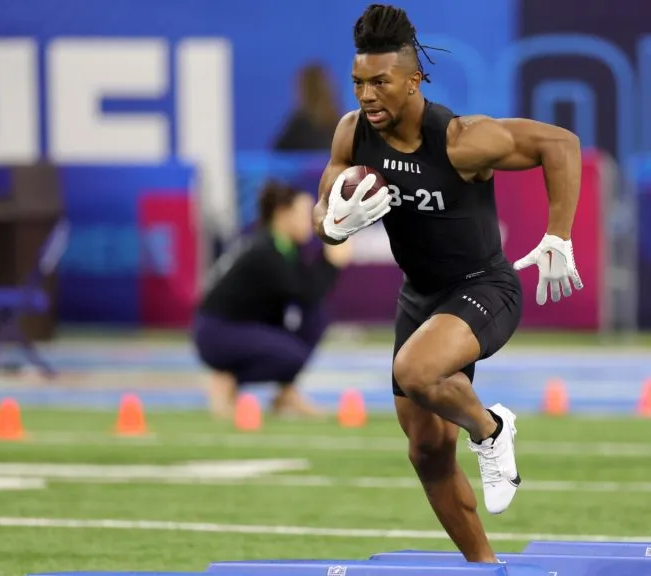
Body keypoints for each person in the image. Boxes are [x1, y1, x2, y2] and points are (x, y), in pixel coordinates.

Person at [311, 3, 585, 564]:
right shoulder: (352, 133)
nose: (366, 96)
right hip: (421, 298)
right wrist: (332, 224)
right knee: (427, 451)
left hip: (486, 288)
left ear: (414, 80)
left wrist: (559, 234)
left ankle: (490, 427)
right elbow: (324, 210)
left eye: (380, 83)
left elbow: (560, 145)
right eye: (359, 82)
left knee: (415, 371)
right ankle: (484, 566)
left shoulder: (461, 140)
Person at [193, 180, 352, 419]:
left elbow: (308, 294)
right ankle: (227, 379)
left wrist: (326, 261)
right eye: (303, 213)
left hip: (248, 326)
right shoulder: (265, 250)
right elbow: (305, 291)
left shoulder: (286, 247)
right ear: (282, 213)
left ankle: (286, 393)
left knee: (315, 316)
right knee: (292, 355)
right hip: (219, 331)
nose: (311, 221)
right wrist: (331, 263)